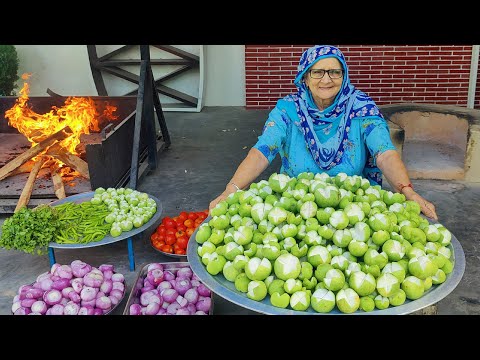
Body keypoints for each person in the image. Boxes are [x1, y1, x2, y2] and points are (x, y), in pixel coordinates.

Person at [209, 45, 438, 220]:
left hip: (351, 206)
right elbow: (262, 152)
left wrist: (408, 192)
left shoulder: (361, 107)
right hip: (295, 206)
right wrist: (231, 189)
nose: (326, 80)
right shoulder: (288, 110)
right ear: (305, 77)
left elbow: (385, 153)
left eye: (334, 72)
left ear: (344, 75)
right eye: (317, 72)